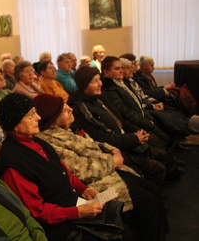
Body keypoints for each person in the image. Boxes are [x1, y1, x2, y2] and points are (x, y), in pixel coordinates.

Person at [0, 93, 132, 241]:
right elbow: (36, 212)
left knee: (124, 226)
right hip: (59, 225)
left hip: (73, 206)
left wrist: (83, 189)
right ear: (15, 124)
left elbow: (63, 172)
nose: (38, 118)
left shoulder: (37, 142)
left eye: (36, 112)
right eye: (31, 115)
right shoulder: (12, 164)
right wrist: (77, 212)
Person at [34, 93, 169, 241]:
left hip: (107, 169)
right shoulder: (49, 141)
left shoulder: (67, 129)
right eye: (64, 110)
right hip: (98, 183)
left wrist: (113, 150)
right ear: (53, 121)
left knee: (152, 190)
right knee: (147, 202)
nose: (70, 109)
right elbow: (79, 170)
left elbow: (95, 143)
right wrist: (112, 161)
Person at [68, 66, 172, 184]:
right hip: (114, 151)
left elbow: (120, 121)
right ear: (84, 85)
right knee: (158, 167)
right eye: (95, 81)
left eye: (99, 79)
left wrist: (139, 131)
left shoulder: (98, 98)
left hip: (124, 139)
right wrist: (134, 138)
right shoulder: (81, 108)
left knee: (161, 148)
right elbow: (104, 139)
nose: (100, 84)